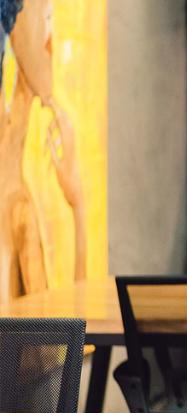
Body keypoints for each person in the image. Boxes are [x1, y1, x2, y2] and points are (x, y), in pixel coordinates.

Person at [0, 0, 86, 305]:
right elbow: (56, 350)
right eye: (46, 17)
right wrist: (79, 208)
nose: (51, 40)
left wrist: (77, 204)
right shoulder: (15, 206)